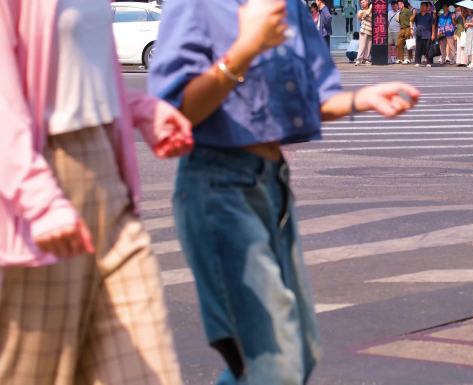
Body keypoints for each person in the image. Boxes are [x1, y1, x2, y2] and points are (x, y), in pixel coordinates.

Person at [149, 0, 420, 383]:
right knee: (274, 362)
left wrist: (362, 99)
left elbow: (312, 96)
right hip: (218, 187)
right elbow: (174, 110)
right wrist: (245, 48)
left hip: (271, 181)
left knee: (298, 353)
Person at [0, 0, 198, 383]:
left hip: (109, 182)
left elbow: (78, 78)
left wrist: (140, 109)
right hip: (41, 180)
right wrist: (40, 201)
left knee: (150, 372)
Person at [412, 1, 436, 67]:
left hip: (427, 33)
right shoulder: (417, 15)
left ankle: (429, 62)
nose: (422, 7)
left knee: (428, 48)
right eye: (421, 6)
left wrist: (433, 34)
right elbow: (411, 20)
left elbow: (433, 25)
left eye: (424, 6)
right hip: (419, 33)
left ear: (426, 7)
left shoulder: (430, 16)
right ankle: (418, 62)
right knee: (418, 48)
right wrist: (414, 14)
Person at [357, 0, 373, 65]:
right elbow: (365, 14)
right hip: (364, 30)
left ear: (367, 2)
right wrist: (371, 7)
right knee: (362, 45)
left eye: (363, 2)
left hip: (370, 30)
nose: (362, 4)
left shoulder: (371, 10)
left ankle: (366, 59)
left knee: (368, 46)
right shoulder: (361, 11)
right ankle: (358, 59)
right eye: (361, 3)